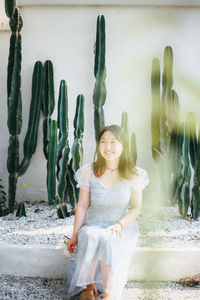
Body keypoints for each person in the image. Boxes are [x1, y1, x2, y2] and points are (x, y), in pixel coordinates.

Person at [60, 124, 149, 300]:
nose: (108, 147)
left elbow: (136, 208)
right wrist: (74, 235)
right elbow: (83, 206)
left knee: (108, 238)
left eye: (113, 142)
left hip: (121, 224)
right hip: (94, 222)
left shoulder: (134, 174)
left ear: (122, 145)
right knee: (91, 235)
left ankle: (109, 291)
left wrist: (120, 224)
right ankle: (88, 287)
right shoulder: (90, 171)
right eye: (103, 142)